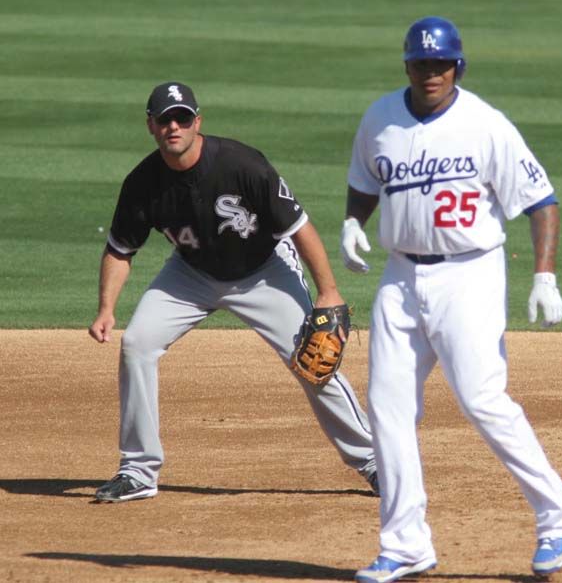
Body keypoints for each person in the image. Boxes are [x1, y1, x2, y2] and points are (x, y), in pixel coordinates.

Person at [340, 17, 562, 582]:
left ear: (458, 67)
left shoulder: (485, 125)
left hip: (468, 276)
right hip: (399, 278)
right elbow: (365, 180)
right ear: (407, 66)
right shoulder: (379, 118)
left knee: (483, 400)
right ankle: (405, 545)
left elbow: (541, 200)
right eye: (422, 64)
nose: (431, 73)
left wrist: (543, 276)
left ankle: (558, 517)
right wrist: (353, 221)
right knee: (389, 408)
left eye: (441, 64)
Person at [89, 82, 378, 503]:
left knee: (312, 360)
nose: (174, 126)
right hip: (190, 274)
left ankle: (373, 461)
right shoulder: (142, 182)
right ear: (150, 125)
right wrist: (105, 309)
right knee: (137, 343)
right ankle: (138, 470)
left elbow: (300, 228)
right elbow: (120, 249)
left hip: (265, 270)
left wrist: (328, 291)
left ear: (197, 121)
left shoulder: (242, 165)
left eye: (182, 118)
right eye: (165, 119)